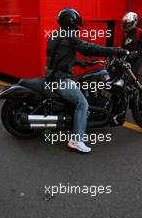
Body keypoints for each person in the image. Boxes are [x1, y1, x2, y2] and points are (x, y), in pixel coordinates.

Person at [45, 8, 127, 153]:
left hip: (53, 75)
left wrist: (81, 63)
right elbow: (88, 48)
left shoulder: (55, 35)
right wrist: (115, 50)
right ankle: (77, 140)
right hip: (60, 79)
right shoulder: (69, 38)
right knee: (82, 104)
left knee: (82, 89)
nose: (77, 27)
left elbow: (59, 58)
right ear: (70, 24)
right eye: (76, 24)